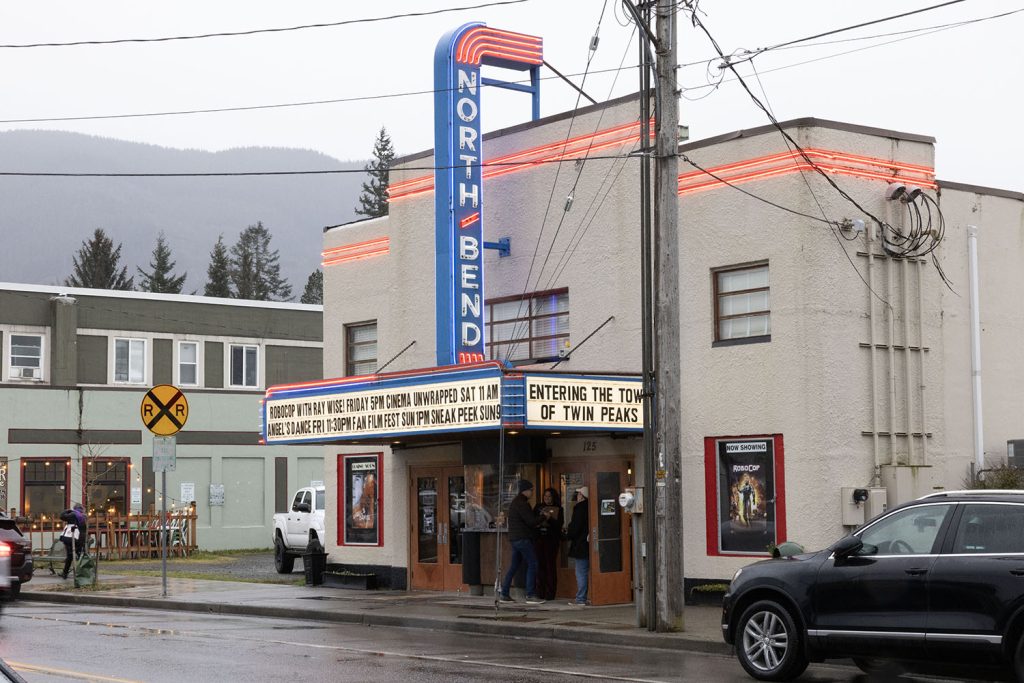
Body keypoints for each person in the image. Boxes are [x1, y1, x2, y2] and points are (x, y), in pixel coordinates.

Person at [499, 480, 552, 605]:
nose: (532, 492)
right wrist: (545, 516)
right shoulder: (522, 504)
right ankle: (530, 594)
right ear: (525, 490)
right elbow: (531, 522)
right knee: (533, 563)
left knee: (514, 565)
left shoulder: (515, 502)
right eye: (531, 490)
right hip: (522, 538)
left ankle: (504, 593)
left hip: (515, 539)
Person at [533, 487, 564, 601]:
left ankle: (550, 593)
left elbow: (558, 525)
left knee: (550, 567)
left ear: (553, 497)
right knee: (540, 566)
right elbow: (533, 520)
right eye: (545, 496)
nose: (547, 498)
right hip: (539, 539)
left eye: (549, 496)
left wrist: (550, 518)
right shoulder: (538, 507)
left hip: (551, 541)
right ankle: (540, 592)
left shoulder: (558, 509)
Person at [565, 486, 590, 606]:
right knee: (588, 571)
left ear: (582, 496)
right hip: (591, 543)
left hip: (581, 544)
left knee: (581, 571)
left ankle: (581, 598)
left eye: (578, 494)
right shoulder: (592, 507)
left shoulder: (580, 508)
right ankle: (590, 596)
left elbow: (575, 528)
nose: (577, 496)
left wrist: (567, 534)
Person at [58, 510, 82, 580]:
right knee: (73, 556)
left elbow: (62, 516)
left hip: (71, 537)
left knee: (70, 556)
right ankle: (68, 572)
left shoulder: (73, 514)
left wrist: (67, 510)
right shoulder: (82, 516)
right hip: (78, 537)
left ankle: (66, 573)